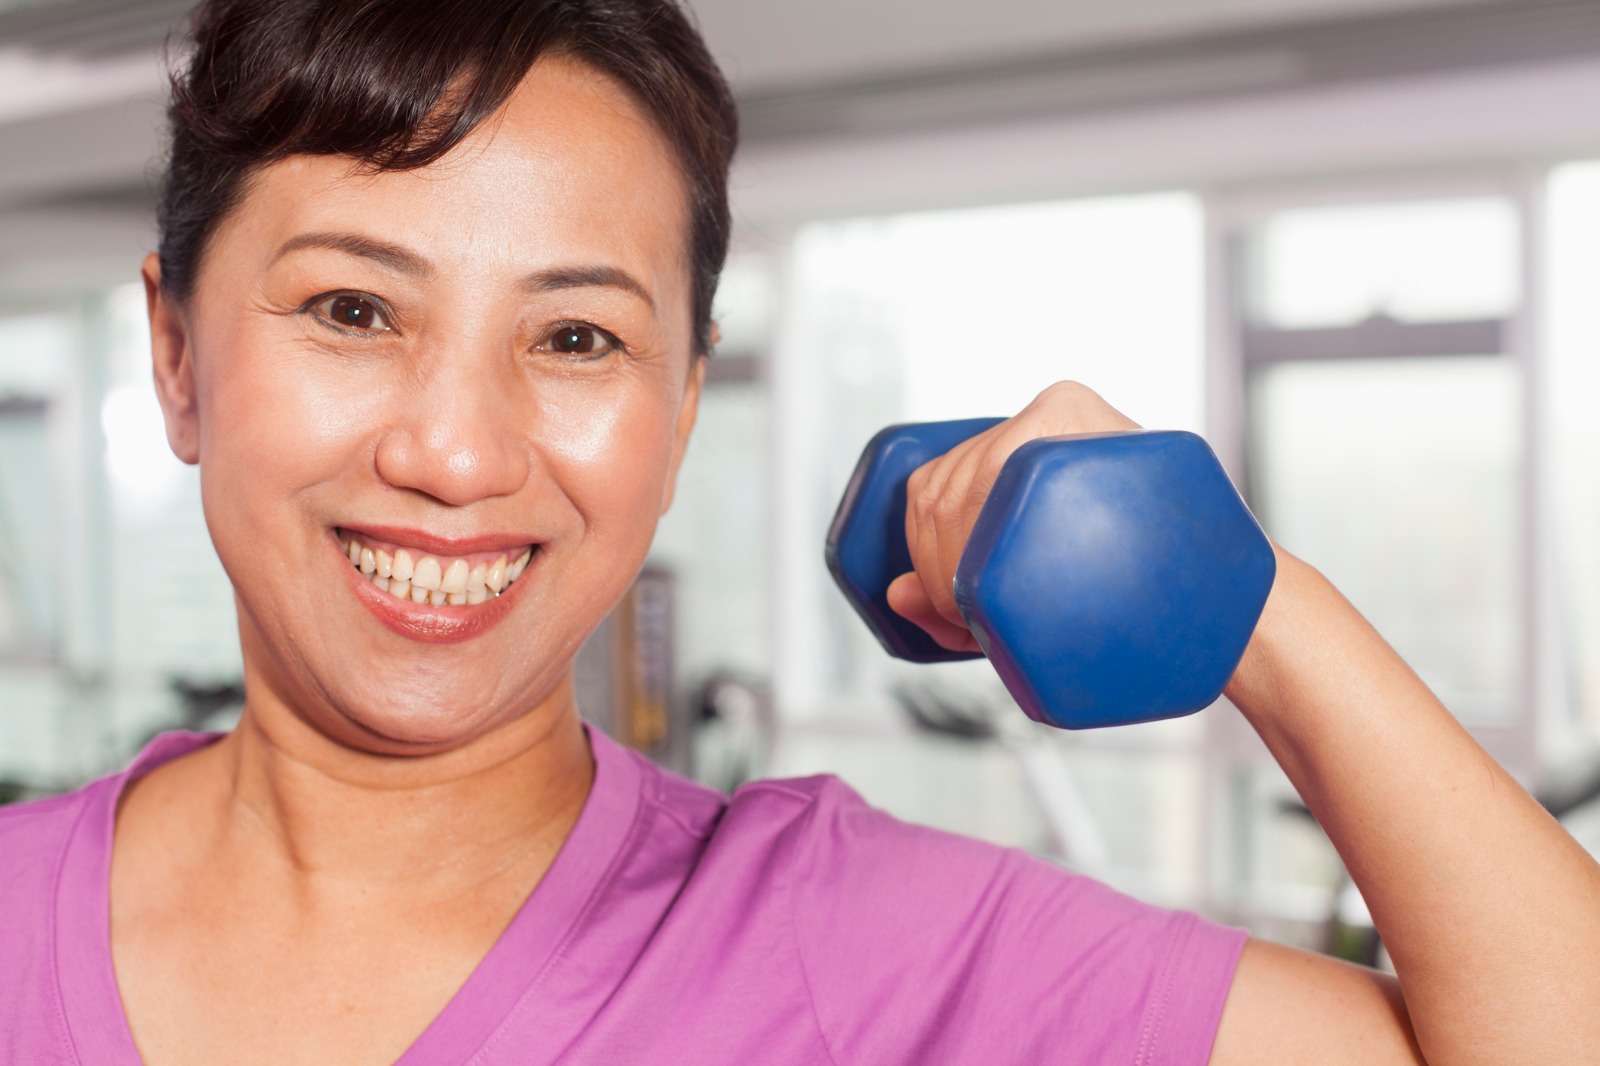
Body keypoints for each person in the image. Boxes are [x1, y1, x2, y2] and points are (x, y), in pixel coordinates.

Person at [1, 0, 1597, 1062]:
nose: (456, 448)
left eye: (575, 340)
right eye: (353, 307)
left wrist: (1256, 610)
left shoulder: (870, 947)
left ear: (685, 405)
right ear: (175, 354)